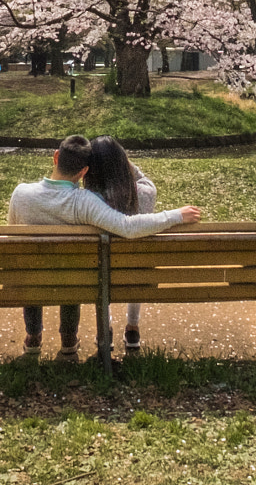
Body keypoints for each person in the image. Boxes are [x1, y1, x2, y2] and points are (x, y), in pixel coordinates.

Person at [7, 135, 202, 359]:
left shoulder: (20, 194)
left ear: (56, 157)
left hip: (30, 281)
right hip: (71, 283)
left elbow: (15, 238)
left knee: (33, 269)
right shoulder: (83, 202)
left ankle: (33, 337)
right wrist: (175, 215)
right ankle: (68, 340)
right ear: (83, 172)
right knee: (71, 274)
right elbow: (127, 227)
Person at [83, 136, 159, 353]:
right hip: (135, 273)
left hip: (101, 271)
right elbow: (144, 179)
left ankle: (104, 329)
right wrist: (123, 161)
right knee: (137, 265)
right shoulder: (146, 194)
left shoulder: (88, 199)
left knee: (101, 270)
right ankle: (132, 327)